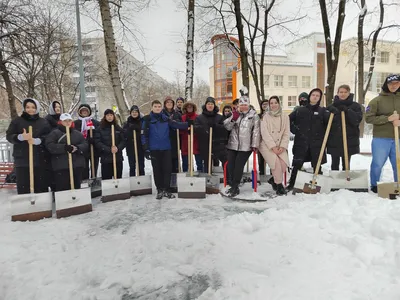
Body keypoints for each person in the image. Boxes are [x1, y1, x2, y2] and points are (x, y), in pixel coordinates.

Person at [141, 100, 188, 199]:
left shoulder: (166, 119)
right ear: (152, 108)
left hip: (166, 148)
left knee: (167, 170)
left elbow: (176, 125)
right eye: (155, 106)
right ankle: (159, 189)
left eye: (159, 106)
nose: (157, 108)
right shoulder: (147, 119)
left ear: (161, 108)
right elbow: (143, 135)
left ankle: (166, 189)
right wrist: (146, 148)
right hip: (154, 149)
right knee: (157, 170)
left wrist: (187, 124)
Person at [6, 98, 51, 194]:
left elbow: (48, 137)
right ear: (24, 108)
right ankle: (25, 206)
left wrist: (37, 141)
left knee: (41, 186)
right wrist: (20, 137)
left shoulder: (43, 122)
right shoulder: (17, 121)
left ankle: (42, 206)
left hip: (39, 159)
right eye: (28, 107)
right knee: (24, 187)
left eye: (33, 107)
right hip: (22, 160)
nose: (30, 110)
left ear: (37, 108)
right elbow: (9, 136)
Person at [287, 88, 329, 191]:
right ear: (310, 96)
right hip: (302, 142)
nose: (315, 97)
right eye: (313, 95)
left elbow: (328, 125)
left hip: (317, 143)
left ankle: (318, 185)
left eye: (317, 96)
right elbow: (287, 120)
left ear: (319, 98)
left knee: (317, 165)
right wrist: (295, 129)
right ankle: (292, 184)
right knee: (297, 164)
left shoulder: (322, 111)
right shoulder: (300, 110)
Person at [365, 74, 400, 193]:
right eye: (391, 84)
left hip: (398, 138)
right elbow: (368, 118)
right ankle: (375, 184)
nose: (393, 86)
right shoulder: (377, 101)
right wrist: (387, 119)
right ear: (386, 85)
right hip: (381, 138)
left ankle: (398, 184)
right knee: (378, 163)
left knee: (398, 164)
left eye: (396, 83)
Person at [223, 95, 260, 197]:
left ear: (248, 105)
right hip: (233, 144)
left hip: (245, 146)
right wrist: (233, 118)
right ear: (238, 105)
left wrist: (254, 145)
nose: (243, 107)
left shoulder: (254, 116)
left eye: (245, 105)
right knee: (230, 165)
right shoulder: (234, 114)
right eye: (241, 105)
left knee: (238, 166)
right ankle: (232, 185)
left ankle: (235, 186)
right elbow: (227, 127)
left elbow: (256, 131)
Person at [45, 113, 88, 191]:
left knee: (76, 187)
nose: (68, 122)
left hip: (76, 165)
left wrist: (77, 148)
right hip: (61, 166)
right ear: (61, 122)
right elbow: (50, 146)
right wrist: (64, 148)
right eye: (65, 121)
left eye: (69, 120)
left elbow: (85, 144)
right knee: (63, 188)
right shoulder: (55, 133)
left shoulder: (77, 134)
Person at [326, 85, 363, 171]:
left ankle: (345, 178)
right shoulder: (332, 107)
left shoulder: (355, 106)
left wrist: (347, 111)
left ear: (349, 93)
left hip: (349, 139)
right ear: (337, 93)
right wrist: (329, 112)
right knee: (334, 163)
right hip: (334, 139)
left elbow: (357, 120)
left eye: (345, 92)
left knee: (346, 162)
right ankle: (335, 179)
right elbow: (325, 122)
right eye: (341, 92)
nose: (343, 94)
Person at [259, 96, 290, 195]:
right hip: (267, 145)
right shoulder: (265, 117)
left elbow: (286, 133)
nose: (273, 105)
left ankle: (273, 179)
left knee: (284, 164)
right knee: (276, 164)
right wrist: (273, 147)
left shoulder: (285, 117)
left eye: (275, 102)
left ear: (279, 103)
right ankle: (279, 185)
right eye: (271, 103)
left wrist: (282, 146)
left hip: (280, 144)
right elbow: (265, 134)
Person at [195, 97, 228, 173]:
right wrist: (205, 130)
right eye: (208, 104)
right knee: (207, 163)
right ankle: (208, 178)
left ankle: (227, 178)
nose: (210, 106)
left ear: (214, 106)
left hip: (218, 144)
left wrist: (216, 126)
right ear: (205, 105)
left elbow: (224, 129)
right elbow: (196, 128)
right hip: (205, 144)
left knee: (224, 160)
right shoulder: (200, 118)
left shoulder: (219, 117)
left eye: (212, 104)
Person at [94, 109, 126, 180]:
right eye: (108, 115)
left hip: (117, 158)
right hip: (106, 159)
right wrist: (108, 149)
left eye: (111, 115)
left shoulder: (118, 128)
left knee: (118, 179)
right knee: (106, 180)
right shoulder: (100, 129)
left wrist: (117, 148)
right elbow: (97, 142)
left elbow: (124, 141)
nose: (109, 117)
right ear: (105, 117)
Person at [74, 104, 100, 180]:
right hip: (82, 150)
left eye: (86, 110)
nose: (84, 112)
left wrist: (93, 140)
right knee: (84, 169)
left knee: (94, 168)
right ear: (80, 112)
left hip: (93, 149)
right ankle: (85, 183)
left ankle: (94, 181)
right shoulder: (76, 123)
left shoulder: (95, 122)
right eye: (83, 110)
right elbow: (75, 135)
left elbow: (98, 134)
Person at [180, 102, 202, 172]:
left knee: (198, 160)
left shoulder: (197, 117)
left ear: (193, 108)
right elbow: (180, 129)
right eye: (188, 107)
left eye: (191, 107)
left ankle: (200, 172)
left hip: (195, 141)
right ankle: (186, 173)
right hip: (185, 141)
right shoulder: (182, 117)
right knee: (186, 161)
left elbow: (200, 128)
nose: (189, 108)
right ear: (185, 108)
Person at [123, 105, 145, 176]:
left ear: (138, 113)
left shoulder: (142, 122)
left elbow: (144, 133)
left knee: (141, 166)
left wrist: (138, 129)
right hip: (131, 148)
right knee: (132, 166)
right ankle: (132, 182)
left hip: (140, 147)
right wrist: (129, 130)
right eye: (133, 112)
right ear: (130, 113)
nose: (134, 113)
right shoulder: (127, 123)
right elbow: (124, 134)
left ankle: (142, 181)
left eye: (136, 112)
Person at [163, 96, 182, 173]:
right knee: (167, 159)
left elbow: (181, 124)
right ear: (165, 104)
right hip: (165, 139)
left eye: (171, 102)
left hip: (175, 139)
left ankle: (176, 175)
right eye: (167, 102)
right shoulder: (162, 114)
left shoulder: (177, 114)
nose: (169, 104)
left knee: (175, 159)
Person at [258, 99, 269, 177]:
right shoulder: (258, 116)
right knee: (261, 158)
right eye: (263, 104)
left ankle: (273, 175)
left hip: (270, 139)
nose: (265, 106)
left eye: (266, 104)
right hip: (261, 139)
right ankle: (262, 174)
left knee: (271, 158)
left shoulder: (272, 115)